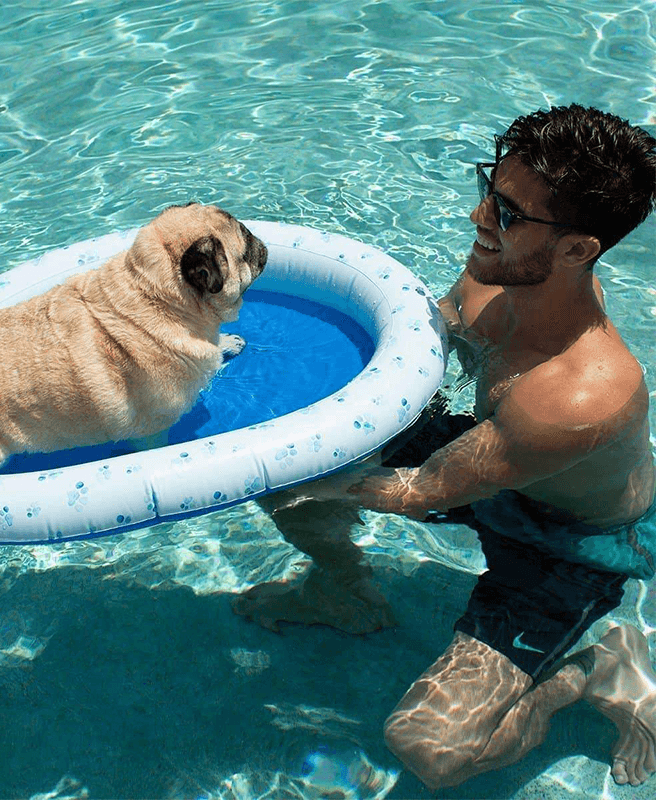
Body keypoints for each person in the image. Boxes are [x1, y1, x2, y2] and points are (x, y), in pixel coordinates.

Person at [239, 104, 656, 789]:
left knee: (433, 749)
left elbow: (423, 491)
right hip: (493, 458)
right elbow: (406, 370)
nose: (479, 220)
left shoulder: (579, 396)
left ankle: (596, 673)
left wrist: (273, 467)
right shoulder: (492, 278)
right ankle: (345, 593)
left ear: (580, 250)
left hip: (568, 546)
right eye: (489, 191)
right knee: (297, 469)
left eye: (510, 215)